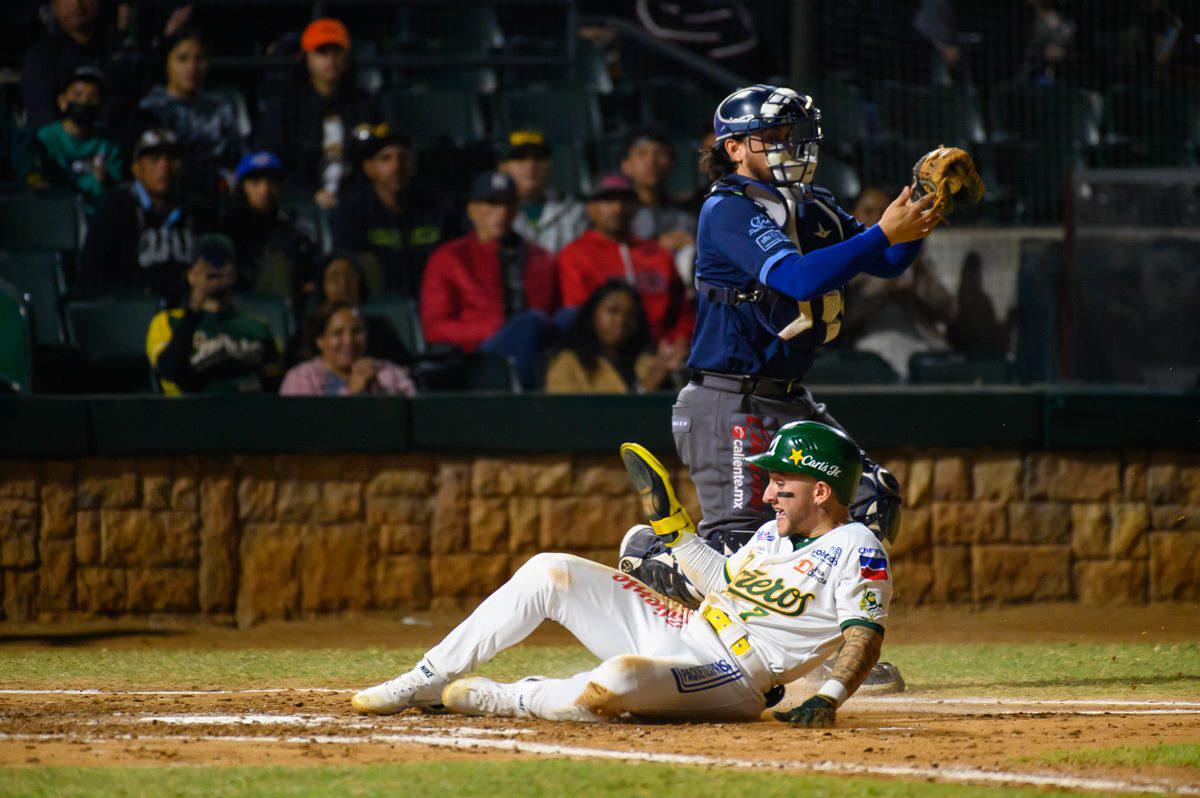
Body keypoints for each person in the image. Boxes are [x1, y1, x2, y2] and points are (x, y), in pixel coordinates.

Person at [615, 84, 938, 692]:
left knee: (869, 498)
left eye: (797, 134)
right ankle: (661, 562)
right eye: (776, 136)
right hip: (728, 396)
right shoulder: (728, 209)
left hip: (788, 394)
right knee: (740, 545)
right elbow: (796, 275)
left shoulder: (809, 203)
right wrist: (880, 232)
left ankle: (839, 652)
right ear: (734, 147)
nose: (792, 146)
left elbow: (888, 261)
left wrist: (923, 212)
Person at [351, 420, 890, 729]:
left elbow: (864, 632)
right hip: (687, 627)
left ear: (822, 491)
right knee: (550, 570)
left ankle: (513, 697)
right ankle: (425, 677)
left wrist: (829, 696)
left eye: (782, 484)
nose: (768, 492)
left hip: (736, 677)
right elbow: (721, 581)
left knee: (618, 679)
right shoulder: (774, 532)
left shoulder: (856, 546)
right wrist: (674, 526)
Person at [420, 171, 558, 389]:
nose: (501, 212)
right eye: (491, 203)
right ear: (472, 210)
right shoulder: (450, 258)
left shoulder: (541, 257)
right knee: (530, 321)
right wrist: (493, 327)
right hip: (479, 355)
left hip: (537, 345)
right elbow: (435, 328)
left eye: (507, 203)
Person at [79, 127, 215, 304]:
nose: (164, 166)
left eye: (172, 158)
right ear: (136, 168)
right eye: (154, 159)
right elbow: (95, 274)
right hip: (130, 310)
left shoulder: (199, 212)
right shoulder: (116, 207)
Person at [256, 17, 379, 209]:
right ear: (307, 57)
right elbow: (273, 158)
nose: (330, 59)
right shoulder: (286, 104)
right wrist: (308, 193)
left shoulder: (364, 103)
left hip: (356, 203)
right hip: (299, 202)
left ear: (347, 56)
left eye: (337, 51)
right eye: (322, 52)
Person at [558, 173, 694, 345]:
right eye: (608, 201)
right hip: (604, 352)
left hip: (662, 348)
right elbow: (579, 315)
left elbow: (684, 311)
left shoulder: (658, 254)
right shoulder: (575, 254)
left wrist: (679, 341)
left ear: (636, 208)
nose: (618, 208)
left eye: (626, 200)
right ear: (590, 208)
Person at [333, 123, 460, 297]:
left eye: (403, 157)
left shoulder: (440, 208)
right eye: (386, 158)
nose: (397, 166)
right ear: (369, 168)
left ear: (414, 163)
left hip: (435, 299)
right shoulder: (353, 212)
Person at [842, 186, 956, 378]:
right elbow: (844, 321)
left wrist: (919, 277)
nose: (877, 219)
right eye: (868, 211)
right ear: (852, 215)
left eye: (884, 212)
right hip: (868, 352)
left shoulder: (913, 256)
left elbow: (949, 312)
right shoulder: (845, 260)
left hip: (923, 349)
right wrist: (888, 284)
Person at [146, 234, 281, 395]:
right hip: (188, 412)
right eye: (207, 266)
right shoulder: (168, 321)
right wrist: (195, 307)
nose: (215, 271)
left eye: (223, 263)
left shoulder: (258, 326)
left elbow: (275, 379)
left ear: (234, 274)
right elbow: (169, 371)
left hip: (246, 411)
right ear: (191, 275)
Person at [19, 0, 165, 134]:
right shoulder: (40, 56)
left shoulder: (123, 54)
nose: (76, 4)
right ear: (54, 6)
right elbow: (42, 114)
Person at [134, 28, 244, 200]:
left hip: (221, 190)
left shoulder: (221, 107)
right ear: (167, 64)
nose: (192, 68)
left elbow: (238, 152)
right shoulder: (151, 109)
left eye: (199, 59)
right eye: (182, 59)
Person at [15, 66, 123, 214]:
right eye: (78, 95)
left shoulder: (109, 144)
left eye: (92, 97)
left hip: (96, 218)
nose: (84, 102)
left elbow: (116, 189)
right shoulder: (43, 138)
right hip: (54, 215)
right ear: (62, 101)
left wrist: (106, 179)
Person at [545, 280, 684, 394]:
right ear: (592, 314)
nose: (621, 321)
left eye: (630, 315)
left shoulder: (648, 363)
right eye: (613, 311)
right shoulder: (567, 365)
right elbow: (565, 419)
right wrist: (645, 387)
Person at [224, 150, 319, 301]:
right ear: (241, 188)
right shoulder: (228, 227)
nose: (265, 190)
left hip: (289, 301)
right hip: (241, 301)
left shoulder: (293, 225)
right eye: (255, 182)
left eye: (271, 181)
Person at [301, 251, 413, 366]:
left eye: (350, 276)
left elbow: (404, 366)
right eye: (334, 277)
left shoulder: (380, 327)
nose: (344, 283)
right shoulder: (310, 329)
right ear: (322, 286)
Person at [281, 301, 415, 396]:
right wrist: (351, 391)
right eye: (338, 333)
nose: (349, 341)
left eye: (357, 331)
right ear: (321, 340)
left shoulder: (390, 372)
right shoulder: (300, 377)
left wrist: (379, 390)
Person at [620, 128, 697, 282]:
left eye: (660, 153)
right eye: (642, 153)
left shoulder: (688, 214)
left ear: (672, 162)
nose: (652, 161)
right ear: (626, 165)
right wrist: (656, 246)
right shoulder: (618, 213)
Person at [497, 130, 588, 254]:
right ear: (503, 167)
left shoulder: (575, 211)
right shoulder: (489, 213)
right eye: (520, 158)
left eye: (539, 157)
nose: (531, 165)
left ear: (549, 165)